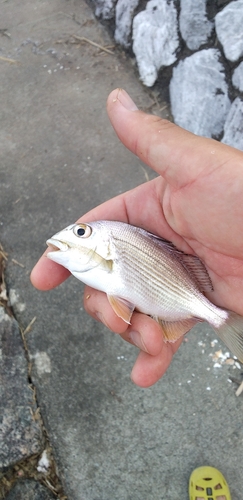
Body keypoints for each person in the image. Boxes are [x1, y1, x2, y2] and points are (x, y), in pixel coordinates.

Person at [31, 88, 243, 390]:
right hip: (178, 295)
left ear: (100, 242)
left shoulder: (112, 244)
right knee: (126, 318)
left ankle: (222, 319)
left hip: (184, 294)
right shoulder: (99, 255)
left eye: (82, 232)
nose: (76, 232)